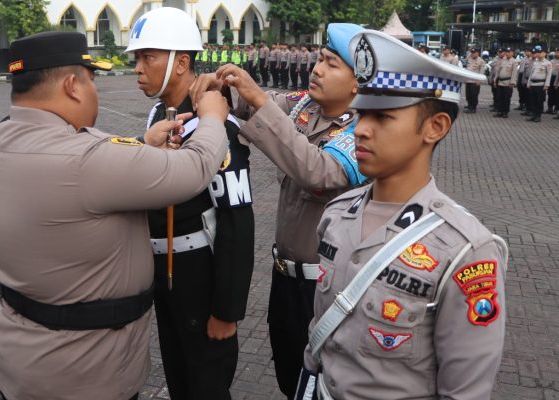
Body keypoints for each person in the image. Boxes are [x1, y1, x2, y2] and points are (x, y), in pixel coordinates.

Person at [0, 31, 231, 400]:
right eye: (91, 80)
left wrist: (143, 146)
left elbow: (73, 179)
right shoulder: (86, 159)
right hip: (84, 372)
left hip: (18, 355)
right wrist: (212, 117)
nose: (95, 90)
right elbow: (193, 169)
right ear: (72, 86)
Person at [298, 29, 507, 400]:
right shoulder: (336, 216)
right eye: (361, 113)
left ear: (435, 127)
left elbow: (465, 392)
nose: (361, 130)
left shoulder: (465, 251)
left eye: (383, 117)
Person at [191, 23, 367, 400]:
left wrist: (257, 98)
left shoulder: (362, 130)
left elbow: (317, 171)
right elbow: (253, 102)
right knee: (291, 379)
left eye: (331, 64)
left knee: (323, 386)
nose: (317, 69)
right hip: (286, 279)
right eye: (319, 59)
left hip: (327, 288)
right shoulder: (306, 104)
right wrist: (222, 84)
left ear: (358, 82)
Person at [125, 8, 255, 399]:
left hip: (202, 275)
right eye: (137, 58)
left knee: (207, 387)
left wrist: (227, 310)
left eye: (148, 57)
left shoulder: (216, 127)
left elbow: (237, 220)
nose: (137, 68)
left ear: (182, 62)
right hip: (166, 277)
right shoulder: (159, 115)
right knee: (181, 382)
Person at [526, 45, 552, 122]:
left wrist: (546, 85)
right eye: (537, 52)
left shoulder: (547, 63)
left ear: (544, 53)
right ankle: (533, 115)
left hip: (541, 85)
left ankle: (538, 116)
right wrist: (528, 83)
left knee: (539, 101)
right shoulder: (535, 62)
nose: (537, 54)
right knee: (533, 101)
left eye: (539, 52)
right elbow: (531, 73)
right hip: (533, 84)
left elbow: (549, 75)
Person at [493, 47, 518, 118]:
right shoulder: (503, 60)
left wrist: (512, 82)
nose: (507, 53)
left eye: (509, 52)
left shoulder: (514, 62)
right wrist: (495, 80)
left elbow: (514, 73)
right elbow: (498, 71)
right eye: (506, 52)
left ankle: (505, 112)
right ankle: (499, 111)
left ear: (512, 53)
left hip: (508, 82)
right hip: (500, 82)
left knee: (506, 98)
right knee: (499, 97)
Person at [464, 48, 485, 113]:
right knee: (468, 95)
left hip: (475, 81)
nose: (472, 54)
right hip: (468, 80)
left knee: (474, 95)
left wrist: (479, 80)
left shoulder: (481, 61)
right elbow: (467, 69)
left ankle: (473, 108)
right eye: (472, 53)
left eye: (474, 52)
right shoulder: (469, 59)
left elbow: (481, 72)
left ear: (478, 53)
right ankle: (469, 106)